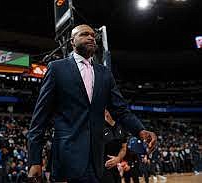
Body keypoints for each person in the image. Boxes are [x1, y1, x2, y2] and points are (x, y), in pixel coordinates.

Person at [28, 24, 157, 182]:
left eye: (92, 35)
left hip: (97, 159)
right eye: (84, 34)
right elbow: (40, 117)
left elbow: (121, 110)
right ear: (72, 42)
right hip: (67, 158)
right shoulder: (57, 68)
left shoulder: (104, 73)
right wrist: (34, 160)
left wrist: (140, 131)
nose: (90, 37)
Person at [102, 110, 127, 183]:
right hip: (101, 168)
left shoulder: (122, 127)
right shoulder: (98, 126)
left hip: (115, 167)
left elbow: (124, 148)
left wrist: (118, 158)